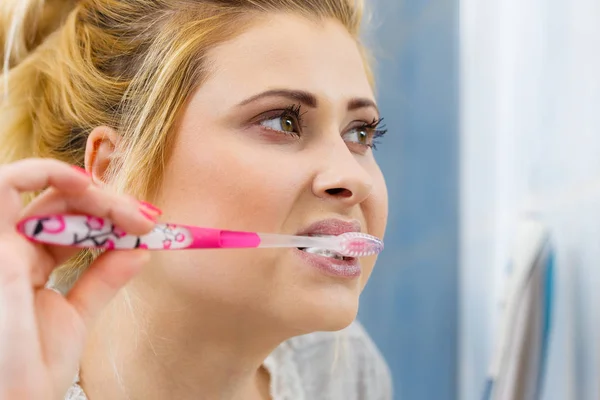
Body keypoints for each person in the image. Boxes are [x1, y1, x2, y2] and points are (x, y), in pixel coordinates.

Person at [0, 0, 391, 399]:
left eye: (360, 133)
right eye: (281, 122)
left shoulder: (340, 374)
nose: (352, 178)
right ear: (114, 171)